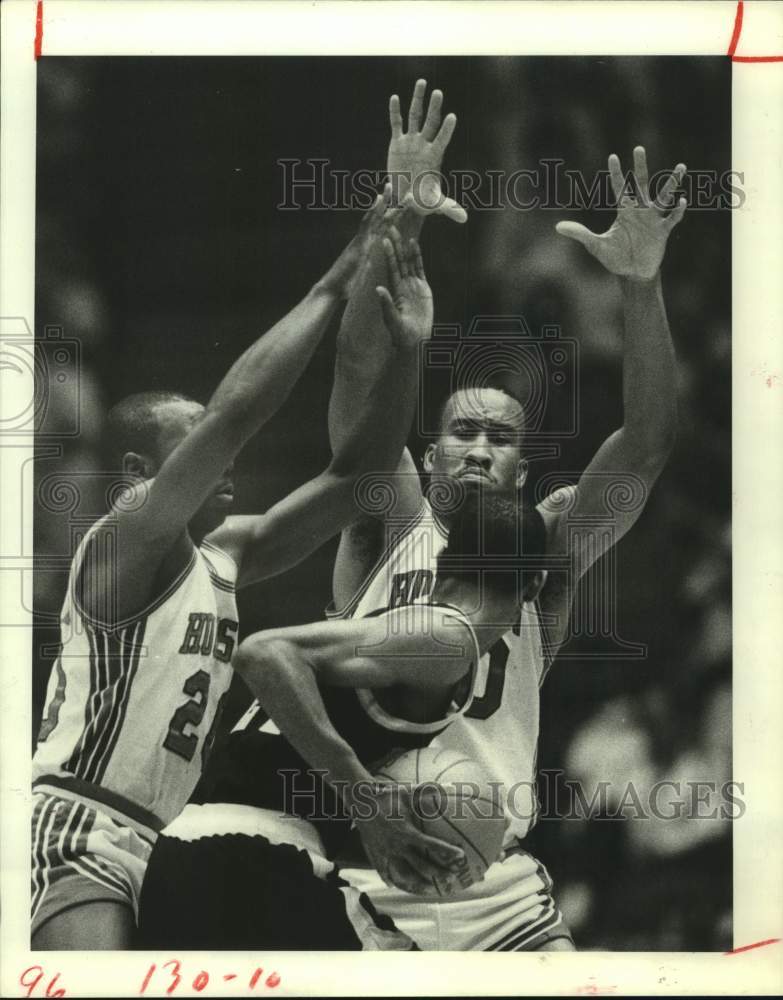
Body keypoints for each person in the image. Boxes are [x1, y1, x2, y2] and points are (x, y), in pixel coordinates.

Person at [30, 196, 446, 949]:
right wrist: (333, 282)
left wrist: (408, 349)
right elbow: (234, 416)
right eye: (194, 444)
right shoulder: (119, 542)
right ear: (138, 471)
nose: (229, 462)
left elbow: (359, 479)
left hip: (163, 839)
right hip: (81, 819)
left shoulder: (228, 553)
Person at [323, 127, 687, 951]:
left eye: (502, 438)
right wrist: (397, 226)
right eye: (462, 433)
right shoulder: (393, 517)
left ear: (523, 470)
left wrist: (640, 283)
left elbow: (647, 444)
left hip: (500, 893)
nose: (481, 448)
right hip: (372, 884)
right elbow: (354, 379)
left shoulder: (544, 551)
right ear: (428, 453)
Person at [136, 491, 544, 949]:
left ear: (443, 562)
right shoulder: (448, 638)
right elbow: (262, 653)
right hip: (253, 856)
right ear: (535, 585)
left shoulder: (416, 634)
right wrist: (366, 800)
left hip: (195, 855)